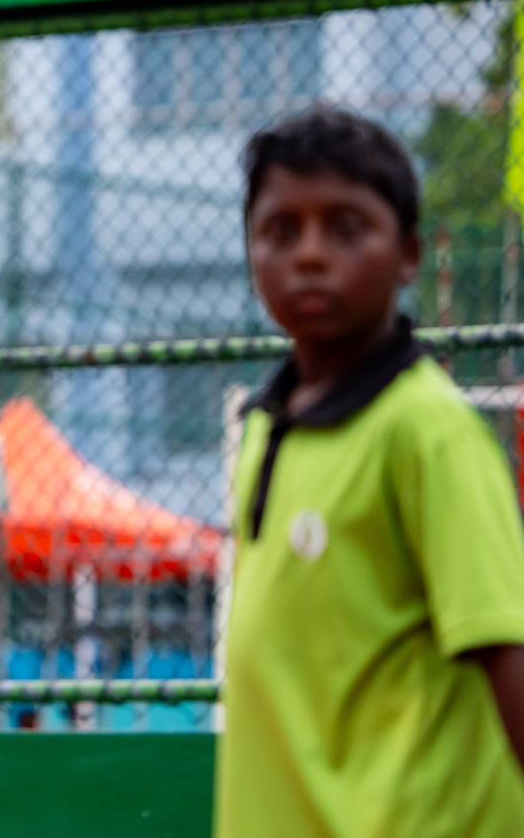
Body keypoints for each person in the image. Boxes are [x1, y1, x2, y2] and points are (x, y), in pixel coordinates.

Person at [216, 108, 524, 837]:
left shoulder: (427, 430)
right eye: (281, 231)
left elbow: (506, 651)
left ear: (409, 254)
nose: (311, 254)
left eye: (347, 228)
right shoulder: (264, 425)